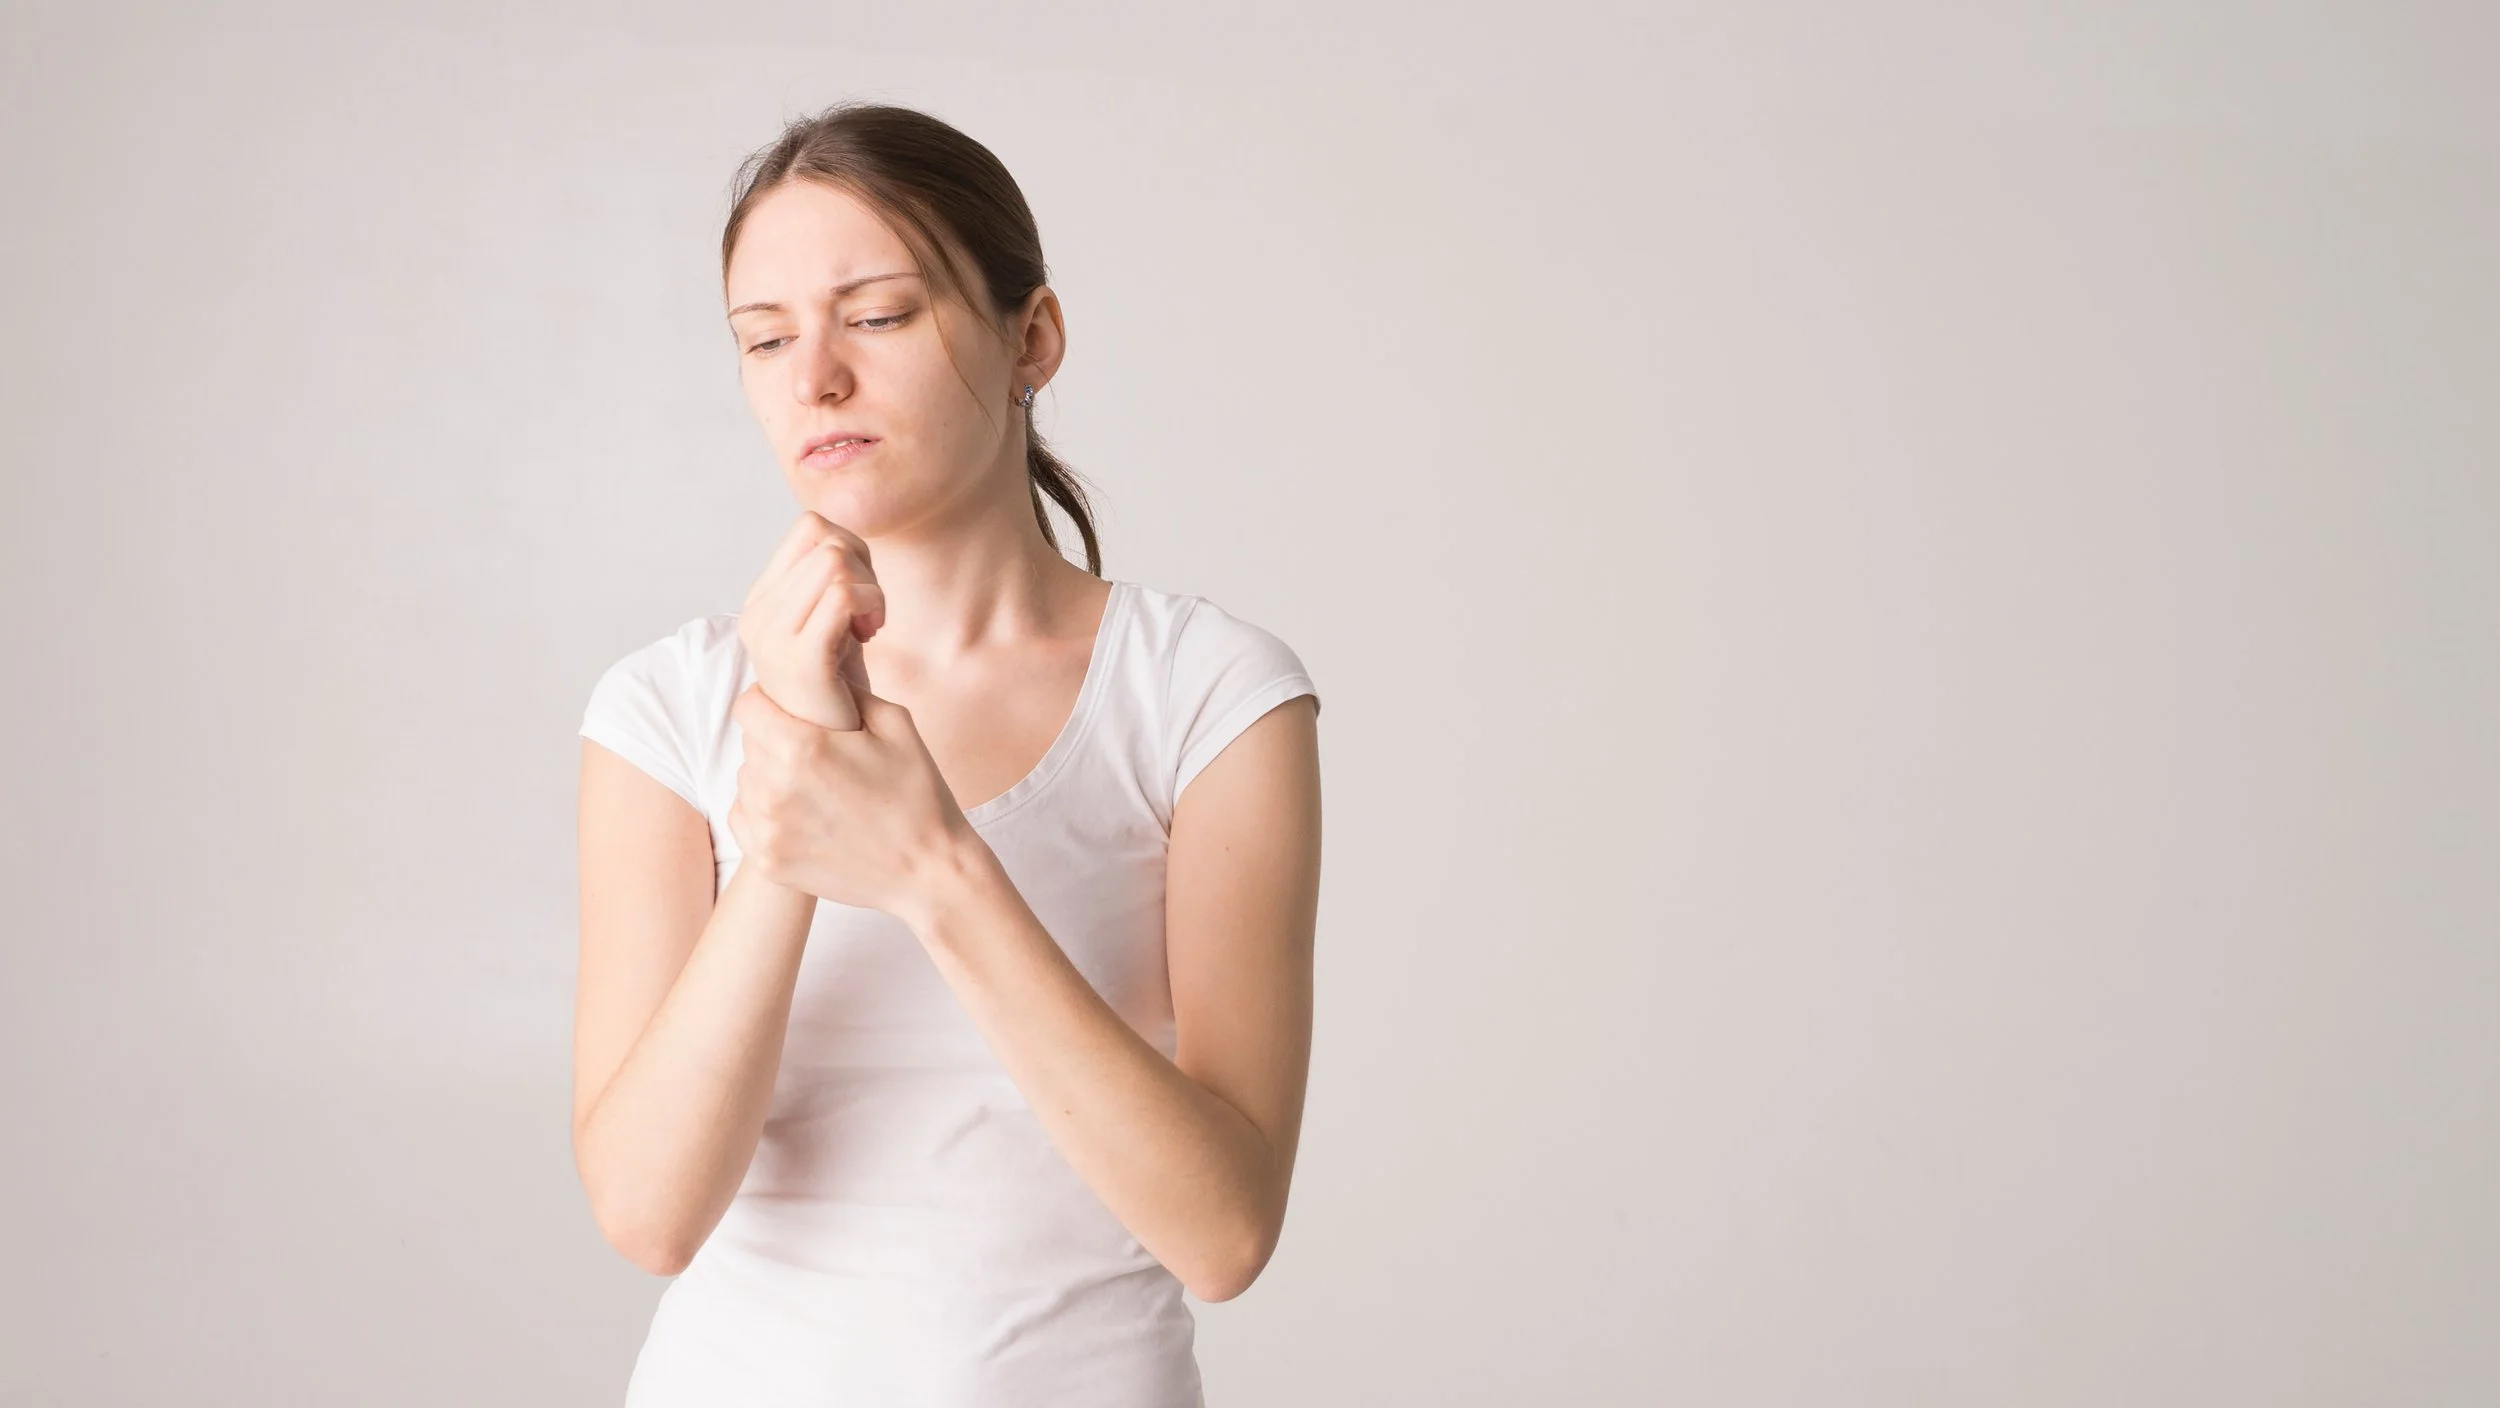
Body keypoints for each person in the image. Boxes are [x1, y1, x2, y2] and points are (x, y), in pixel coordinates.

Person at [571, 101, 1323, 1406]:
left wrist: (936, 870)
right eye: (765, 339)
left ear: (1032, 338)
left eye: (878, 316)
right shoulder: (664, 710)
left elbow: (1223, 1233)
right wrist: (798, 775)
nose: (814, 379)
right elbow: (649, 1214)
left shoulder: (1209, 696)